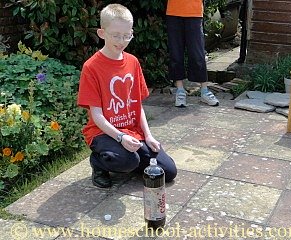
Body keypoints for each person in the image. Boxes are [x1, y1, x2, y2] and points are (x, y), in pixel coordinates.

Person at [77, 4, 177, 188]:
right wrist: (120, 138)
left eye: (127, 35)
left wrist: (148, 136)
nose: (121, 41)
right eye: (116, 35)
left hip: (132, 132)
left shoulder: (133, 62)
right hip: (103, 133)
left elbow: (137, 105)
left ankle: (130, 159)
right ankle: (99, 162)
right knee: (127, 161)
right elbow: (96, 116)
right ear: (102, 33)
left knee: (168, 171)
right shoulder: (91, 67)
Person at [166, 0, 220, 107]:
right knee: (175, 53)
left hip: (194, 12)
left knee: (197, 54)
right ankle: (180, 90)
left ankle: (204, 90)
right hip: (173, 12)